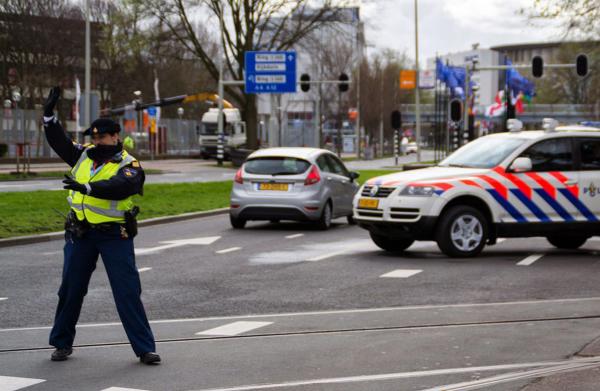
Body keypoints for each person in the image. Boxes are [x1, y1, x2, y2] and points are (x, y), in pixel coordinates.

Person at [42, 86, 160, 365]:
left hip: (113, 236)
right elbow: (60, 143)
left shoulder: (129, 163)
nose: (97, 143)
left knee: (127, 291)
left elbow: (122, 186)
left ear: (116, 137)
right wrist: (49, 117)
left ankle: (145, 349)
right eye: (94, 139)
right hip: (80, 234)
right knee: (70, 289)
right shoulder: (83, 155)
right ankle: (61, 343)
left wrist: (88, 187)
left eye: (103, 138)